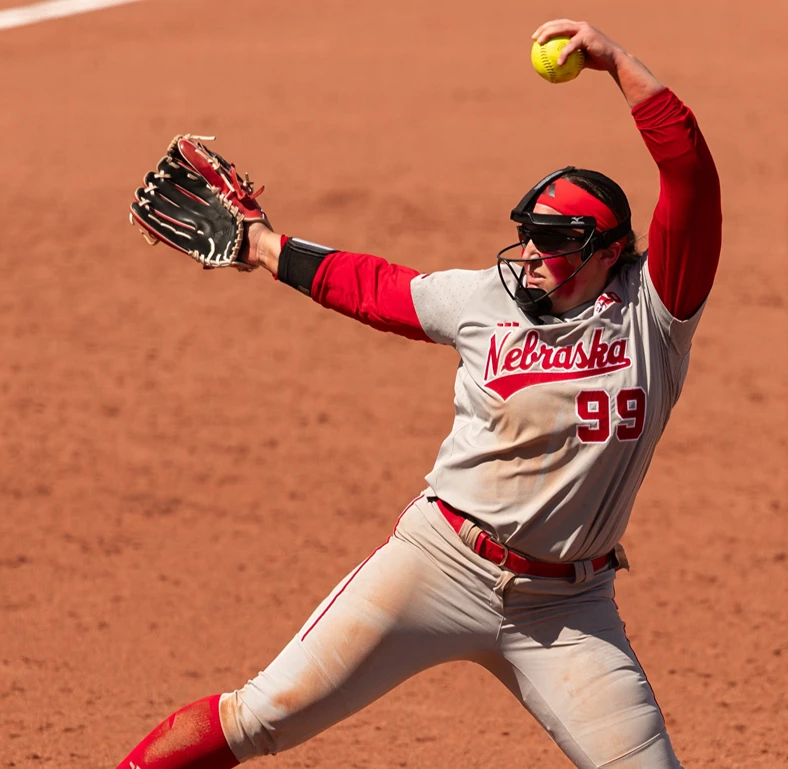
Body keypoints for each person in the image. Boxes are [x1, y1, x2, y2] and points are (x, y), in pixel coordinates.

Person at [116, 18, 722, 769]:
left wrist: (618, 63)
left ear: (606, 254)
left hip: (568, 609)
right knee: (265, 713)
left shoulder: (654, 312)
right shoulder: (481, 300)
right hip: (439, 562)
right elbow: (376, 289)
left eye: (553, 242)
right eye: (526, 235)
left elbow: (689, 176)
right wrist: (264, 245)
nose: (529, 254)